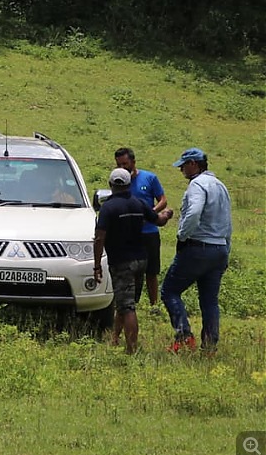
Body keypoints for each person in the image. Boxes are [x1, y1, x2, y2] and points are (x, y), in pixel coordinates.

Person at [94, 168, 174, 354]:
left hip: (122, 263)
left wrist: (97, 265)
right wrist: (168, 214)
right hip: (141, 260)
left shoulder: (108, 208)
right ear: (129, 184)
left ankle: (131, 350)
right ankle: (115, 339)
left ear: (111, 185)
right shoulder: (138, 203)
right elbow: (159, 221)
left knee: (126, 306)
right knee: (125, 301)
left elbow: (99, 238)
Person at [161, 148, 232, 354]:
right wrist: (226, 248)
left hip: (198, 247)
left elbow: (193, 212)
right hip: (219, 249)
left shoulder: (197, 185)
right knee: (209, 301)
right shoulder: (221, 186)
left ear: (194, 164)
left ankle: (184, 336)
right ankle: (210, 346)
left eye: (183, 165)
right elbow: (227, 222)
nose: (181, 169)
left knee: (170, 291)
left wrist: (182, 235)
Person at [114, 147, 168, 310]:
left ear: (133, 162)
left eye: (125, 164)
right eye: (119, 165)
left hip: (149, 232)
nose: (122, 168)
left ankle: (154, 305)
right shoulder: (119, 182)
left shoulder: (150, 178)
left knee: (151, 271)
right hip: (128, 235)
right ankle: (132, 304)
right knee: (130, 271)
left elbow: (163, 200)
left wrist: (150, 214)